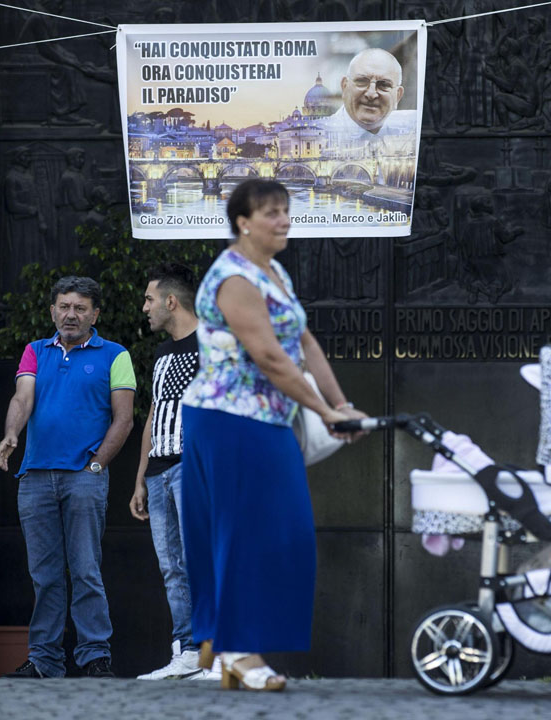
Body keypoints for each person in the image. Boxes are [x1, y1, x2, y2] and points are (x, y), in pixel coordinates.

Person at [180, 179, 367, 691]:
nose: (285, 220)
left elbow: (303, 341)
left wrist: (341, 402)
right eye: (272, 213)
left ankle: (219, 642)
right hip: (228, 420)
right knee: (255, 532)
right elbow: (268, 356)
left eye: (286, 211)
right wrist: (326, 412)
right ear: (242, 221)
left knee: (274, 532)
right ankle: (239, 648)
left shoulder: (274, 271)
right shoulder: (234, 278)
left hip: (263, 420)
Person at [0, 276, 135, 679]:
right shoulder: (35, 351)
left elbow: (123, 420)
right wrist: (11, 433)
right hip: (35, 477)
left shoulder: (116, 354)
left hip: (84, 477)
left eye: (79, 308)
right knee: (45, 574)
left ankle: (94, 657)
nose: (70, 314)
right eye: (63, 306)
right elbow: (23, 398)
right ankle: (45, 660)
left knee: (86, 568)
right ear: (52, 311)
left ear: (95, 314)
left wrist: (96, 465)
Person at [129, 263, 218, 681]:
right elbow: (153, 415)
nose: (144, 307)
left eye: (149, 299)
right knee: (172, 568)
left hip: (193, 468)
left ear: (170, 301)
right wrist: (140, 478)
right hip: (159, 472)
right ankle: (186, 651)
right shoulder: (163, 354)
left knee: (201, 561)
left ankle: (212, 654)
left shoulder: (212, 345)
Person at [320, 48, 415, 156]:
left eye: (383, 85)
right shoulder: (318, 137)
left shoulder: (414, 131)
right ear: (344, 86)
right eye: (362, 81)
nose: (371, 94)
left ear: (398, 95)